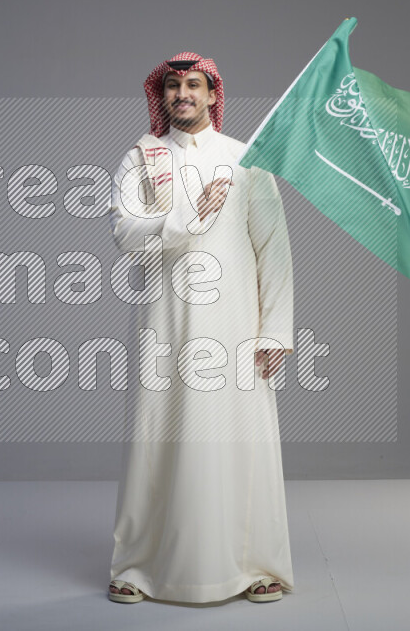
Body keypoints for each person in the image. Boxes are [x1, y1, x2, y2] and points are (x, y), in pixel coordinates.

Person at [107, 52, 295, 604]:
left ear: (213, 94)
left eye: (193, 84)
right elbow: (124, 232)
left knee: (241, 439)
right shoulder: (141, 159)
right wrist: (190, 217)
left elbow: (274, 249)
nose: (182, 94)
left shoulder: (246, 161)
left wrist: (274, 330)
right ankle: (139, 567)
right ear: (161, 95)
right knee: (157, 438)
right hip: (164, 324)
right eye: (172, 85)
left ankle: (255, 565)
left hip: (235, 327)